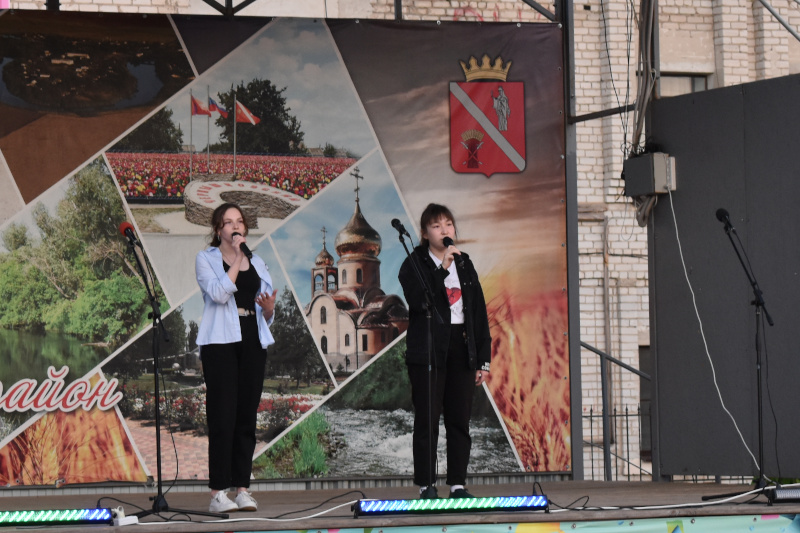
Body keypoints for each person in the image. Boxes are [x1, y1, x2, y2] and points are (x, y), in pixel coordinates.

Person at [398, 203, 491, 500]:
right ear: (425, 233)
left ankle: (458, 485)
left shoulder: (464, 263)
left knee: (459, 419)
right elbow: (419, 301)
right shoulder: (414, 264)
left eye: (448, 224)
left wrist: (482, 359)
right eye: (437, 226)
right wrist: (442, 269)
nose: (444, 230)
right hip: (428, 350)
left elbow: (477, 311)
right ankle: (426, 485)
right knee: (427, 419)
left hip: (461, 347)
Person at [195, 203, 277, 513]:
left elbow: (264, 309)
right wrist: (237, 258)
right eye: (228, 222)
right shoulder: (206, 259)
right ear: (219, 230)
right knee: (223, 416)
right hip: (220, 343)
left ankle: (242, 488)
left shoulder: (258, 262)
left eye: (239, 221)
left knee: (246, 417)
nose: (235, 226)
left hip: (252, 340)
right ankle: (218, 493)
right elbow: (218, 293)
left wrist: (268, 309)